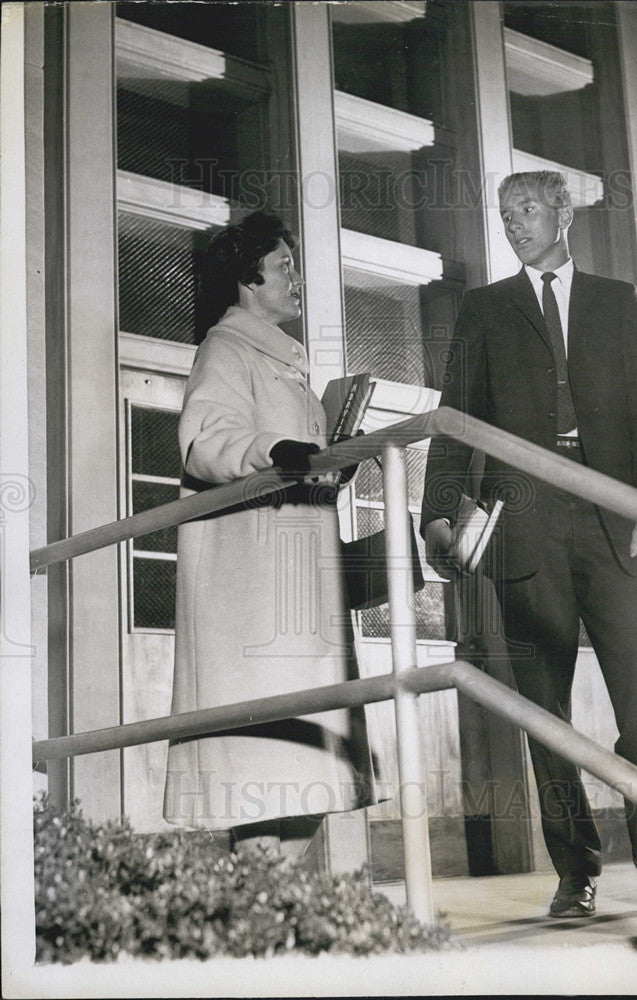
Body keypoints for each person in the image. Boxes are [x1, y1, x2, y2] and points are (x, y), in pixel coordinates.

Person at [421, 170, 637, 916]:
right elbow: (452, 419)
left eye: (527, 209)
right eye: (505, 215)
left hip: (611, 523)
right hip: (524, 525)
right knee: (543, 711)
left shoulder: (613, 300)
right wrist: (437, 513)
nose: (514, 224)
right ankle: (576, 874)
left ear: (563, 213)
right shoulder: (484, 309)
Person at [163, 210, 375, 861]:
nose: (296, 279)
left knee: (310, 773)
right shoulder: (225, 350)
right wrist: (272, 448)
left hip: (296, 590)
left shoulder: (283, 364)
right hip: (252, 597)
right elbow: (206, 442)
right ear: (248, 278)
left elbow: (282, 459)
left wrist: (330, 464)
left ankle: (266, 916)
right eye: (284, 266)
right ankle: (256, 921)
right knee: (264, 767)